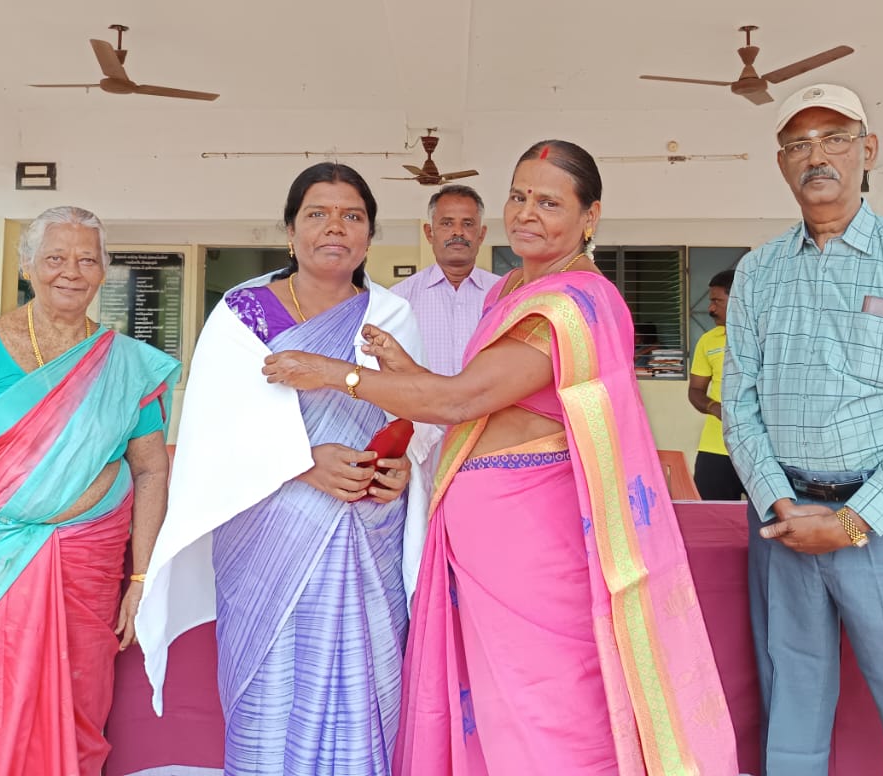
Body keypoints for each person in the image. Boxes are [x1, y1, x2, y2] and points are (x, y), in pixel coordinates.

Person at [264, 140, 737, 776]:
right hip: (486, 546)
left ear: (590, 216)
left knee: (546, 709)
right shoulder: (513, 289)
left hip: (537, 548)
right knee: (490, 711)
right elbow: (484, 402)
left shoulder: (572, 304)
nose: (526, 213)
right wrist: (406, 371)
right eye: (518, 196)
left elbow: (462, 400)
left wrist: (337, 374)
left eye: (549, 202)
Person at [132, 163, 421, 776]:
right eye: (317, 214)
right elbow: (211, 429)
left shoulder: (392, 316)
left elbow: (418, 420)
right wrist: (304, 463)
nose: (335, 228)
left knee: (367, 686)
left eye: (352, 216)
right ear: (290, 231)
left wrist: (403, 473)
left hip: (369, 532)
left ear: (370, 235)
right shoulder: (244, 315)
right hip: (270, 527)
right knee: (271, 690)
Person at [723, 83, 883, 775]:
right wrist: (781, 504)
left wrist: (853, 522)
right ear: (781, 163)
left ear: (868, 151)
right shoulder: (757, 272)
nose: (817, 156)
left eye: (835, 138)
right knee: (790, 707)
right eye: (798, 144)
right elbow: (738, 405)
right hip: (783, 522)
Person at [0, 206, 180, 776]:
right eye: (55, 258)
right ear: (27, 265)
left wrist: (142, 580)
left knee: (77, 717)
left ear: (104, 270)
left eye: (86, 259)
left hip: (88, 580)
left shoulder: (126, 364)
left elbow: (151, 470)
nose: (70, 272)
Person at [390, 184, 500, 376]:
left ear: (481, 235)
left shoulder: (505, 294)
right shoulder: (400, 300)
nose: (458, 232)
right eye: (447, 223)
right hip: (422, 397)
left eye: (468, 224)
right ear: (429, 233)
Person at [688, 270, 744, 501]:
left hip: (762, 450)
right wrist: (714, 408)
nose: (711, 309)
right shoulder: (708, 341)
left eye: (717, 301)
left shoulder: (769, 338)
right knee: (712, 515)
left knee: (773, 518)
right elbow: (695, 391)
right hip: (715, 448)